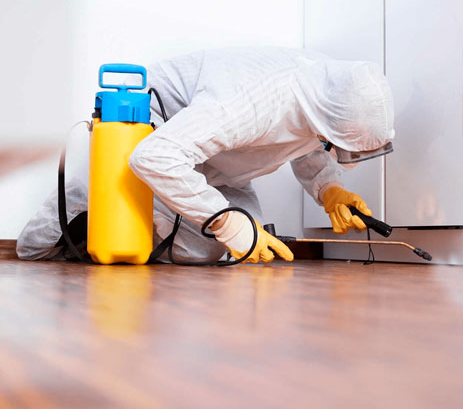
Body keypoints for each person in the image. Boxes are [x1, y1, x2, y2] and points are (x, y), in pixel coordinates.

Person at [16, 47, 394, 263]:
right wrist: (228, 223)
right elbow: (154, 157)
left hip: (218, 156)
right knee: (36, 247)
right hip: (156, 134)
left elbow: (307, 136)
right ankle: (94, 205)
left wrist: (329, 189)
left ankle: (140, 225)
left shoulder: (324, 92)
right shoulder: (251, 101)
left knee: (219, 250)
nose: (332, 149)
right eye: (336, 145)